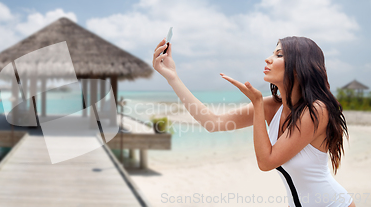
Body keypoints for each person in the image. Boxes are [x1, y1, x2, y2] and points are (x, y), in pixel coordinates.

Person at [152, 36, 356, 207]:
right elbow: (212, 122)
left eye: (279, 55)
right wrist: (172, 77)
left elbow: (266, 162)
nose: (268, 59)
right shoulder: (272, 106)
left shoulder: (316, 110)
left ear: (298, 66)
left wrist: (257, 104)